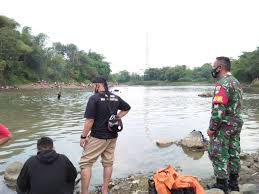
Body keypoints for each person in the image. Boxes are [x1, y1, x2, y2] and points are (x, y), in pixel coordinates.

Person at [80, 76, 131, 194]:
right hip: (112, 136)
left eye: (93, 85)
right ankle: (105, 190)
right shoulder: (115, 96)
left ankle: (84, 192)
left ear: (98, 85)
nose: (92, 87)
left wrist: (83, 136)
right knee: (108, 163)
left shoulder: (94, 98)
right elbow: (127, 108)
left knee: (86, 163)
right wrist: (117, 117)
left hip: (98, 136)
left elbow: (89, 120)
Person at [207, 57, 243, 193]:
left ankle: (221, 184)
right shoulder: (236, 82)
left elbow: (218, 110)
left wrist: (212, 128)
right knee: (233, 151)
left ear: (220, 68)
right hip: (236, 123)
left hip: (224, 125)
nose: (213, 69)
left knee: (218, 153)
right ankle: (233, 183)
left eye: (213, 66)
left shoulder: (222, 84)